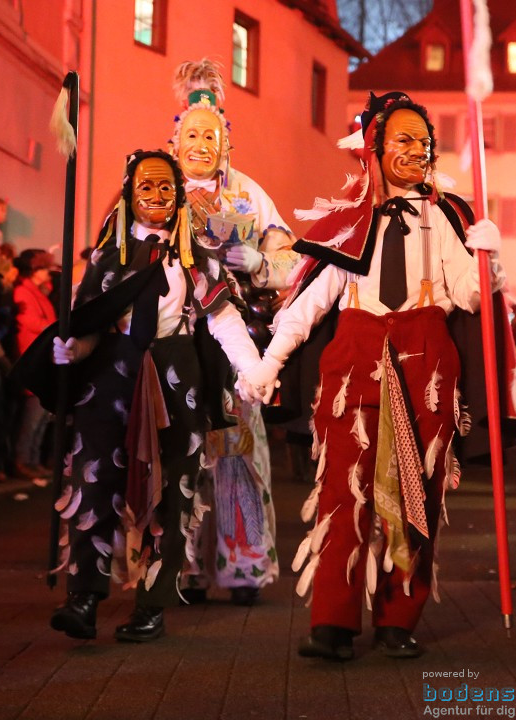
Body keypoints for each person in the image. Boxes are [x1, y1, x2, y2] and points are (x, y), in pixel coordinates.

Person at [242, 91, 515, 660]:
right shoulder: (348, 225)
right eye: (403, 140)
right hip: (355, 363)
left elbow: (467, 292)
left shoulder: (442, 218)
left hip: (427, 363)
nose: (417, 150)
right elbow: (311, 300)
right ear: (374, 149)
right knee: (345, 494)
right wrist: (269, 361)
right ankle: (333, 624)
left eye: (423, 142)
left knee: (417, 494)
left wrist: (493, 259)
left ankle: (398, 619)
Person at [14, 149, 263, 643]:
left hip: (177, 376)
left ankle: (152, 604)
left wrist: (255, 369)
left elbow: (224, 318)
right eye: (146, 187)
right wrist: (73, 348)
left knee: (174, 490)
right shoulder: (108, 255)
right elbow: (88, 322)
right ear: (130, 194)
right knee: (93, 478)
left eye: (166, 187)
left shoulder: (197, 256)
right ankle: (83, 595)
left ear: (178, 196)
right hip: (111, 373)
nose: (156, 196)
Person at [168, 59, 298, 606]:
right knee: (182, 451)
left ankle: (243, 566)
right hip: (174, 341)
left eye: (211, 122)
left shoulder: (249, 193)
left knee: (237, 449)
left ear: (226, 131)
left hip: (235, 342)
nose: (202, 138)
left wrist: (259, 265)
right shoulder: (157, 186)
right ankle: (185, 567)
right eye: (191, 127)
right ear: (176, 131)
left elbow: (290, 264)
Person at [12, 249, 56, 478]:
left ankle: (32, 458)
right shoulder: (23, 292)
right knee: (32, 417)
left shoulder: (37, 293)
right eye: (44, 268)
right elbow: (31, 321)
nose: (48, 272)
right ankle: (23, 459)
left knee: (40, 417)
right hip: (32, 359)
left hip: (41, 360)